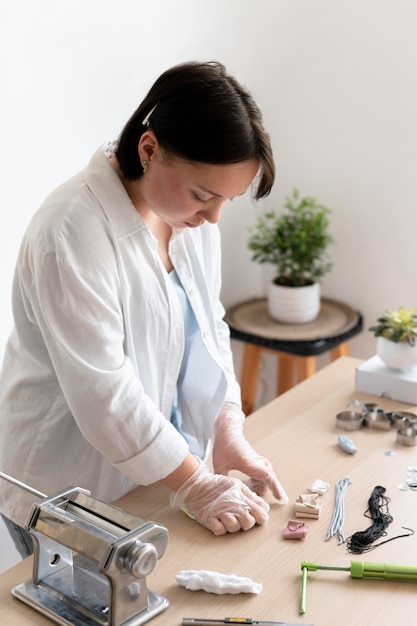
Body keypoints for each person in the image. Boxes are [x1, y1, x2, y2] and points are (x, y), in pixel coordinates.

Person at [0, 61, 288, 557]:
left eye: (227, 200)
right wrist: (196, 483)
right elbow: (104, 393)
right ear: (149, 148)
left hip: (155, 475)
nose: (213, 217)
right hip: (68, 486)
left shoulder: (189, 220)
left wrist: (226, 431)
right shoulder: (71, 230)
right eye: (204, 195)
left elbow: (207, 333)